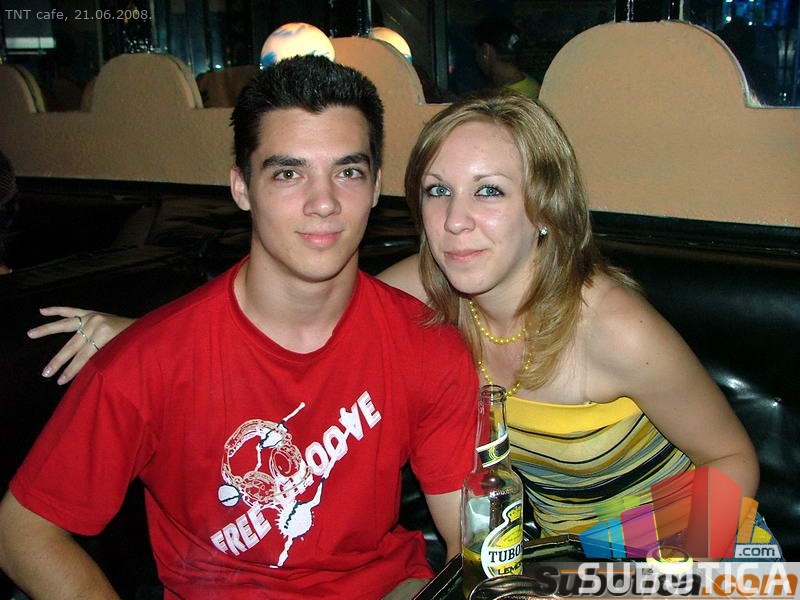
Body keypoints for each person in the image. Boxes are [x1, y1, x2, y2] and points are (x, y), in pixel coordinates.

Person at [28, 91, 762, 547]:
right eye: (438, 191)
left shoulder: (612, 326)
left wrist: (614, 568)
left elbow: (735, 464)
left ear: (545, 208)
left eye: (490, 192)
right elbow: (300, 319)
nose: (456, 221)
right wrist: (140, 336)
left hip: (694, 548)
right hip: (557, 561)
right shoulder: (431, 283)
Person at [0, 55, 478, 600]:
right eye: (288, 173)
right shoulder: (144, 364)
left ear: (374, 188)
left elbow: (469, 541)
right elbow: (21, 531)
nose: (323, 202)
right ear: (242, 188)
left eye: (348, 172)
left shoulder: (428, 345)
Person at [473, 16, 541, 99]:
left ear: (486, 50)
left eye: (476, 50)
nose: (476, 58)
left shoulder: (502, 100)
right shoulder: (534, 85)